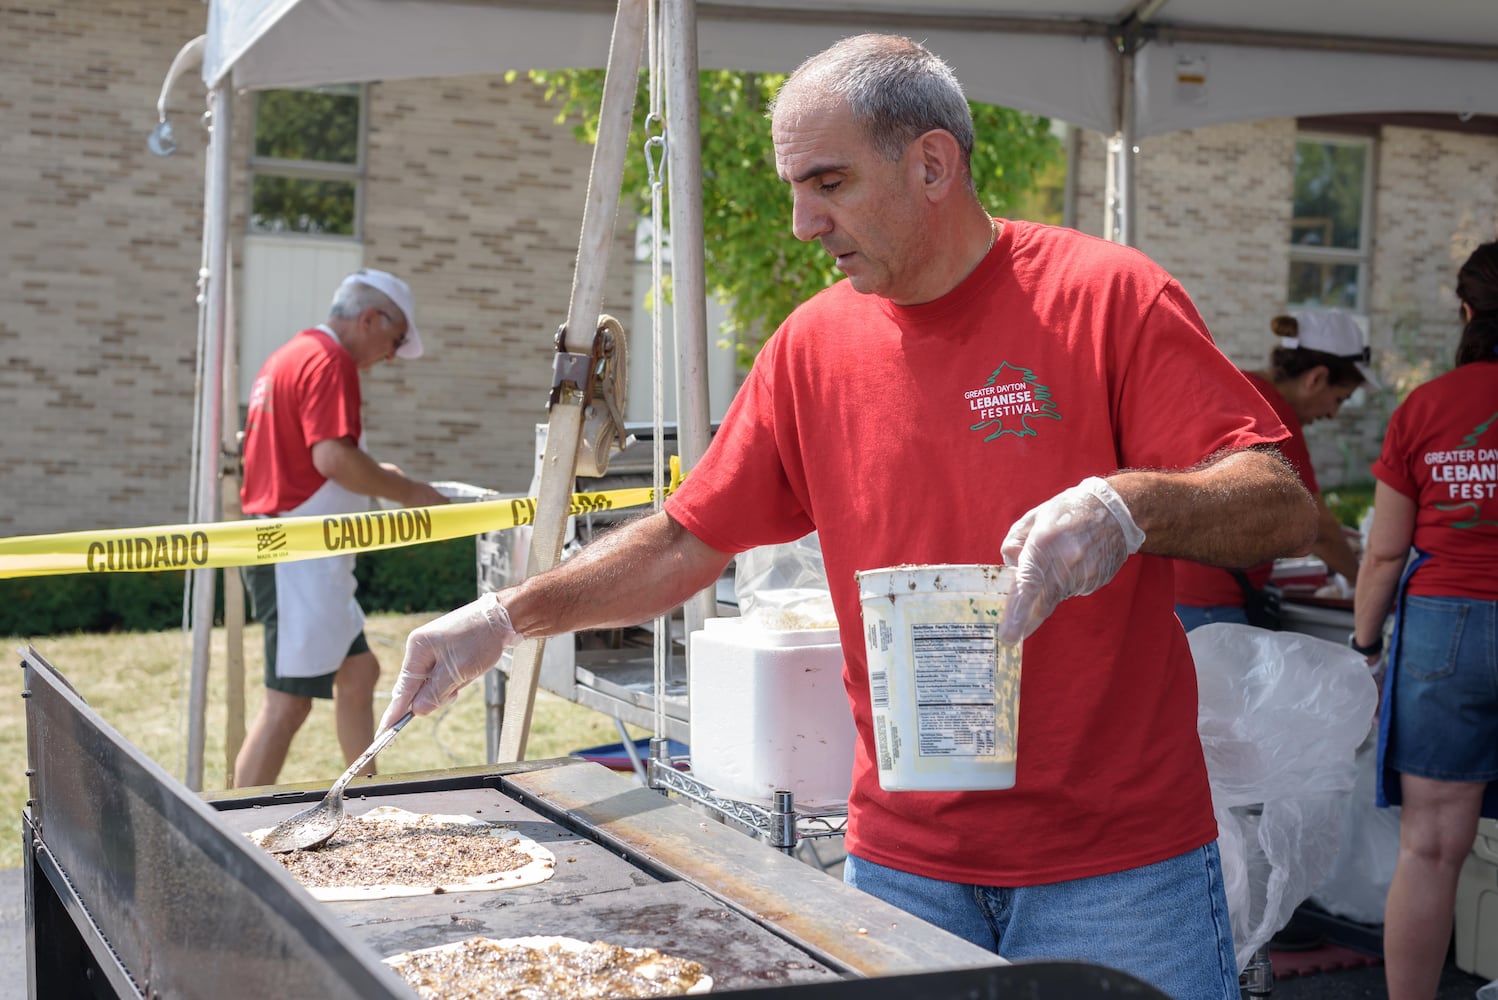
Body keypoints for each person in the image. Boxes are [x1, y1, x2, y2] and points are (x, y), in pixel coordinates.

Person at [380, 35, 1316, 999]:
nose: (800, 223)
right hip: (907, 866)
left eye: (828, 182)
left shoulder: (1106, 296)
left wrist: (1129, 506)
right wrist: (504, 618)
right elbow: (688, 537)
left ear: (933, 165)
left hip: (1119, 868)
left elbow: (1279, 502)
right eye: (794, 187)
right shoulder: (811, 349)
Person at [235, 268, 449, 788]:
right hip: (296, 556)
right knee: (286, 706)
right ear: (371, 318)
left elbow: (316, 459)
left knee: (359, 674)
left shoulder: (293, 354)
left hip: (302, 553)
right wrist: (409, 493)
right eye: (395, 340)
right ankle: (226, 841)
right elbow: (332, 457)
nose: (392, 355)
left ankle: (366, 797)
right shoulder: (331, 361)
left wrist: (379, 477)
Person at [1352, 241, 1498, 1000]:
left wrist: (1366, 644)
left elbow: (1382, 556)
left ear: (1468, 311)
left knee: (1433, 850)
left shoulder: (1426, 409)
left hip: (1446, 631)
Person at [1174, 308, 1375, 630]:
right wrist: (1370, 588)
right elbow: (1317, 530)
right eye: (1339, 398)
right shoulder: (1273, 415)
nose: (1334, 414)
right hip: (1214, 600)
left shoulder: (1236, 385)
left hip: (1178, 582)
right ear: (1316, 378)